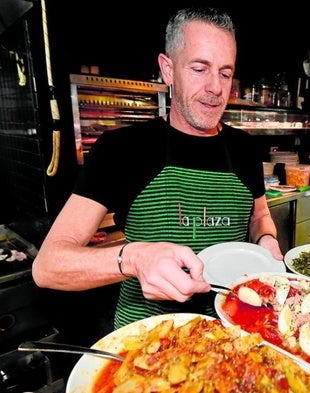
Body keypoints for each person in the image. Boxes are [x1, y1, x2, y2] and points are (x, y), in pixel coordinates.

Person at [32, 7, 283, 330]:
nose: (215, 88)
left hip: (233, 330)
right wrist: (133, 259)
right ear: (168, 69)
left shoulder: (246, 149)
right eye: (199, 68)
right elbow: (48, 266)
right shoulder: (120, 149)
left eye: (224, 72)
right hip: (148, 339)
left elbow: (259, 215)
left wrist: (265, 239)